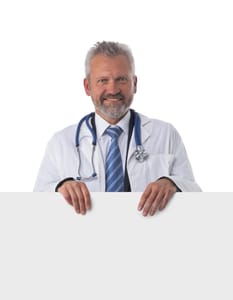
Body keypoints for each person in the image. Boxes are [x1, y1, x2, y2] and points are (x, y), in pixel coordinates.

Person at [34, 41, 201, 216]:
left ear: (134, 83)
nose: (113, 89)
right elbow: (34, 204)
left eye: (121, 79)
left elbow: (196, 197)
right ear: (87, 86)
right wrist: (59, 188)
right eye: (102, 80)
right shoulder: (61, 143)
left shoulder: (165, 134)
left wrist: (173, 183)